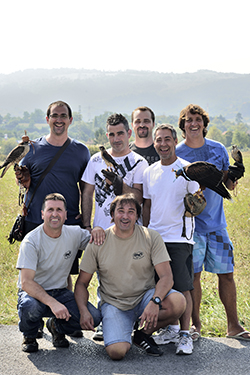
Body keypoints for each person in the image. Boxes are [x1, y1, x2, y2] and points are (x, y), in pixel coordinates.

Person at [74, 193, 186, 360]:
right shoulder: (98, 241)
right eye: (120, 211)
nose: (125, 216)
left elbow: (166, 277)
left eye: (131, 211)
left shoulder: (151, 237)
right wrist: (83, 310)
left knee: (178, 302)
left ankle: (143, 334)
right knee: (117, 352)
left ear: (137, 216)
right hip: (114, 304)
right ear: (112, 216)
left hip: (144, 298)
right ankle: (118, 327)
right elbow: (82, 283)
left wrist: (155, 302)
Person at [176, 104, 250, 341]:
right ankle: (196, 325)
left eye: (198, 119)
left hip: (217, 225)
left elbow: (227, 185)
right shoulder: (176, 152)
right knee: (193, 276)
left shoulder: (218, 149)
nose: (193, 123)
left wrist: (235, 174)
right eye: (188, 120)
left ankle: (233, 326)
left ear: (204, 124)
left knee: (226, 274)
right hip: (191, 226)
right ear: (183, 125)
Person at [16, 100, 90, 336]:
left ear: (70, 120)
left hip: (67, 220)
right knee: (32, 270)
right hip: (36, 218)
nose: (59, 120)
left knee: (64, 270)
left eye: (63, 115)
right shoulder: (33, 149)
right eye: (54, 115)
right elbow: (23, 179)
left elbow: (87, 189)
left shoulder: (81, 151)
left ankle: (62, 320)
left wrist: (86, 222)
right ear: (47, 119)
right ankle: (33, 320)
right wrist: (21, 179)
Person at [16, 193, 105, 353]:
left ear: (65, 215)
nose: (55, 214)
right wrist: (53, 303)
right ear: (42, 214)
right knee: (30, 307)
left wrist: (97, 228)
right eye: (50, 210)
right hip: (33, 294)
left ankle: (56, 326)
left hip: (61, 293)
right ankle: (29, 335)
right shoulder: (31, 241)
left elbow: (95, 240)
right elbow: (26, 282)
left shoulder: (75, 234)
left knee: (95, 317)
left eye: (59, 210)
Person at [143, 124, 200, 355]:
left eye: (167, 139)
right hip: (155, 238)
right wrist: (146, 232)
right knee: (161, 286)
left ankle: (186, 334)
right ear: (154, 143)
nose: (163, 144)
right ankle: (172, 330)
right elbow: (147, 204)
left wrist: (195, 205)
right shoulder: (150, 171)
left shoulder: (188, 169)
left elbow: (197, 202)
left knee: (183, 286)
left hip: (179, 237)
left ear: (175, 141)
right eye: (159, 140)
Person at [81, 112, 148, 231]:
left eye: (120, 133)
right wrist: (86, 226)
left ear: (129, 133)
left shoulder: (140, 162)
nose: (116, 139)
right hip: (101, 232)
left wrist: (120, 185)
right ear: (107, 135)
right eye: (112, 134)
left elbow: (140, 198)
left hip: (130, 232)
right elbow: (87, 194)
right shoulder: (95, 160)